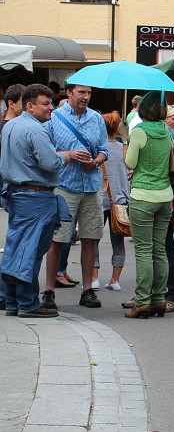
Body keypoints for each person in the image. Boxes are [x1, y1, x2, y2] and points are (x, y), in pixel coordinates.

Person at [1, 85, 91, 317]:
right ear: (29, 105)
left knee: (17, 248)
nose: (50, 107)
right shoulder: (35, 130)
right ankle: (28, 303)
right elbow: (50, 163)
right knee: (29, 251)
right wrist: (67, 155)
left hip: (18, 194)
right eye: (45, 104)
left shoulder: (10, 125)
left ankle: (12, 301)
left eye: (50, 103)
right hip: (35, 196)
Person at [42, 84, 109, 311]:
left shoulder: (96, 118)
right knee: (57, 239)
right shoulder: (55, 117)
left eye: (89, 93)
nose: (86, 97)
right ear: (69, 93)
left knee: (90, 239)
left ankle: (87, 289)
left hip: (91, 186)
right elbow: (46, 151)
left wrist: (95, 162)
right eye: (81, 92)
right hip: (64, 186)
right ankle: (49, 290)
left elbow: (103, 150)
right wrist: (68, 155)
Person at [124, 91, 174, 319]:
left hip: (143, 195)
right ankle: (159, 299)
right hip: (165, 196)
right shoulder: (167, 132)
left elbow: (130, 162)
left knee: (143, 250)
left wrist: (128, 141)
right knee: (160, 249)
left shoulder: (139, 131)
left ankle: (142, 301)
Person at [99, 111, 128, 292]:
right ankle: (115, 279)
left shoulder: (98, 149)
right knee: (118, 242)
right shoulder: (123, 149)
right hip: (121, 200)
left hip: (100, 198)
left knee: (92, 239)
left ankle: (93, 277)